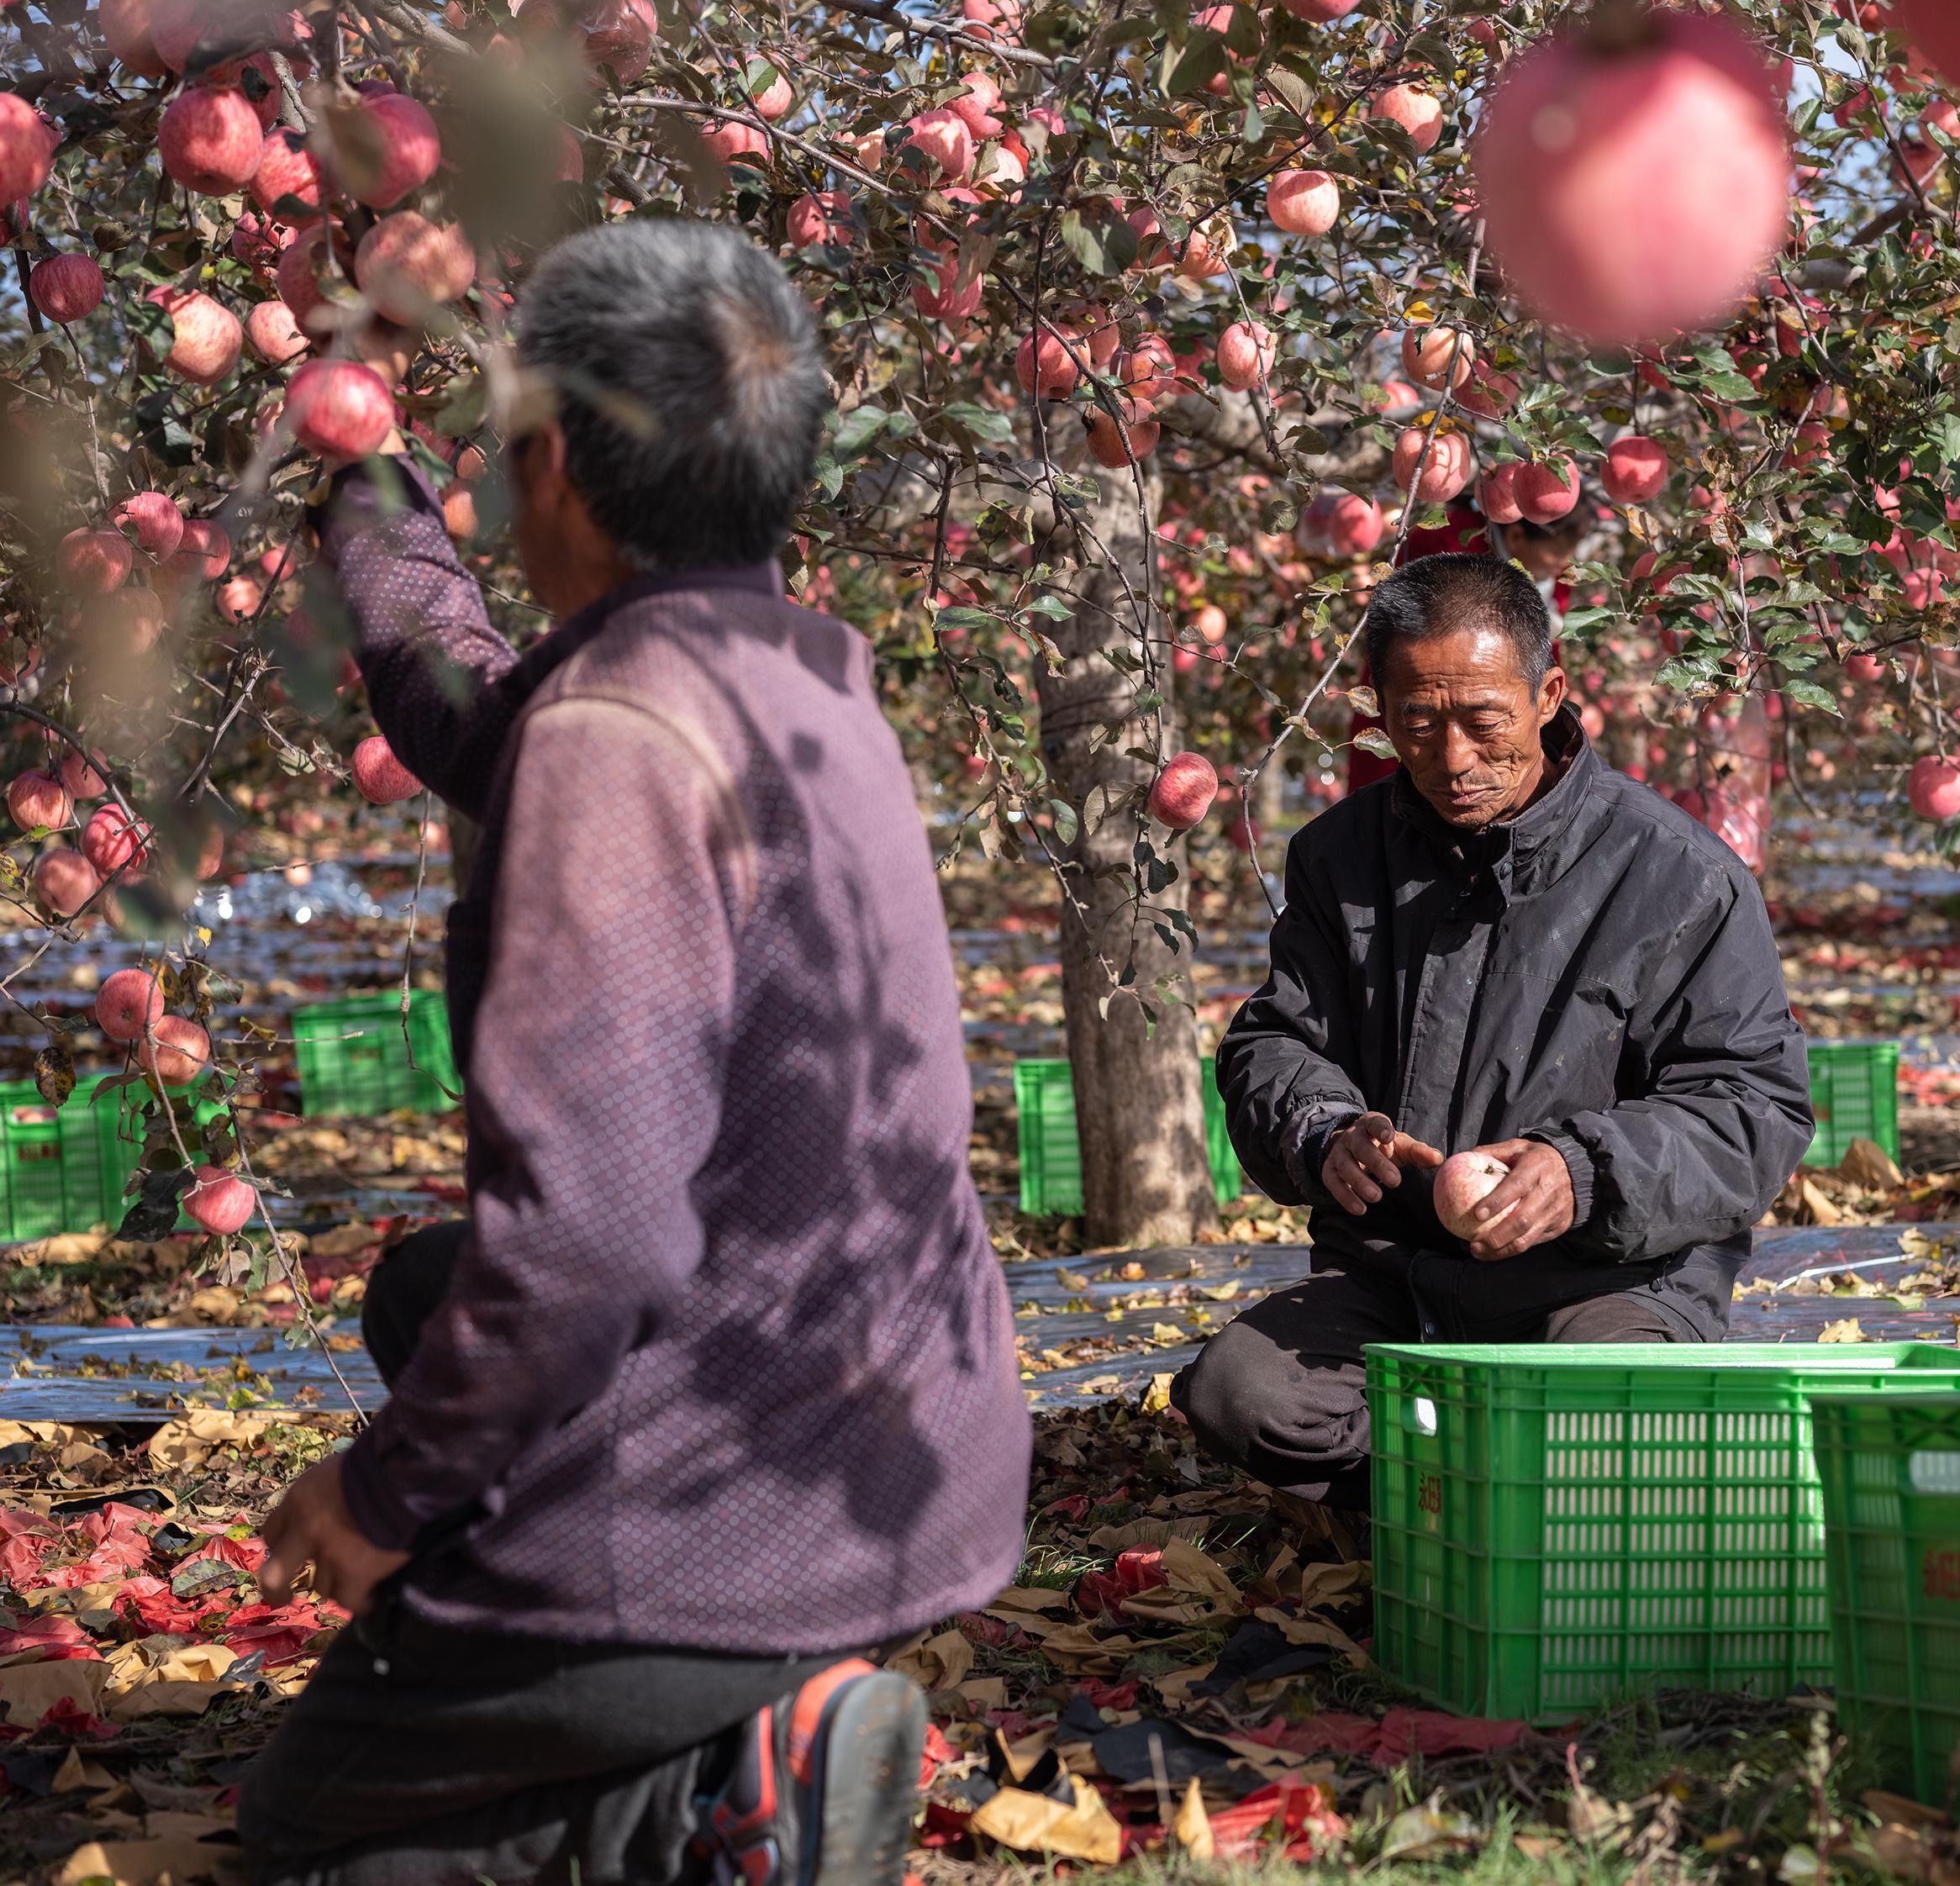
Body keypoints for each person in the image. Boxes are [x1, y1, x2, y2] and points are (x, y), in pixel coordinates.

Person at [237, 221, 1030, 1886]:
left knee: (317, 1835)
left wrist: (385, 1496)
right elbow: (473, 705)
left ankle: (731, 1789)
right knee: (418, 1289)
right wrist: (369, 487)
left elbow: (590, 1238)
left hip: (738, 1495)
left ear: (550, 465)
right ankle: (717, 1714)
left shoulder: (613, 731)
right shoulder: (793, 666)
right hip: (899, 1437)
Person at [1176, 553, 1815, 1508]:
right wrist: (1320, 1131)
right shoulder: (1337, 858)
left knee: (1605, 1407)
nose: (1453, 759)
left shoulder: (1679, 875)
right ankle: (1457, 1509)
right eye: (1419, 726)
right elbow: (1276, 1042)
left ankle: (1476, 1498)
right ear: (1378, 714)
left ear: (1548, 692)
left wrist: (1583, 1173)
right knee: (1242, 1393)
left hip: (1608, 1282)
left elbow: (1753, 1107)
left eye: (1483, 722)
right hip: (1399, 1280)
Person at [1346, 493, 1589, 792]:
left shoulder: (1554, 579)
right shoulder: (1447, 544)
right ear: (1515, 536)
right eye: (1557, 553)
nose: (1563, 563)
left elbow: (1542, 650)